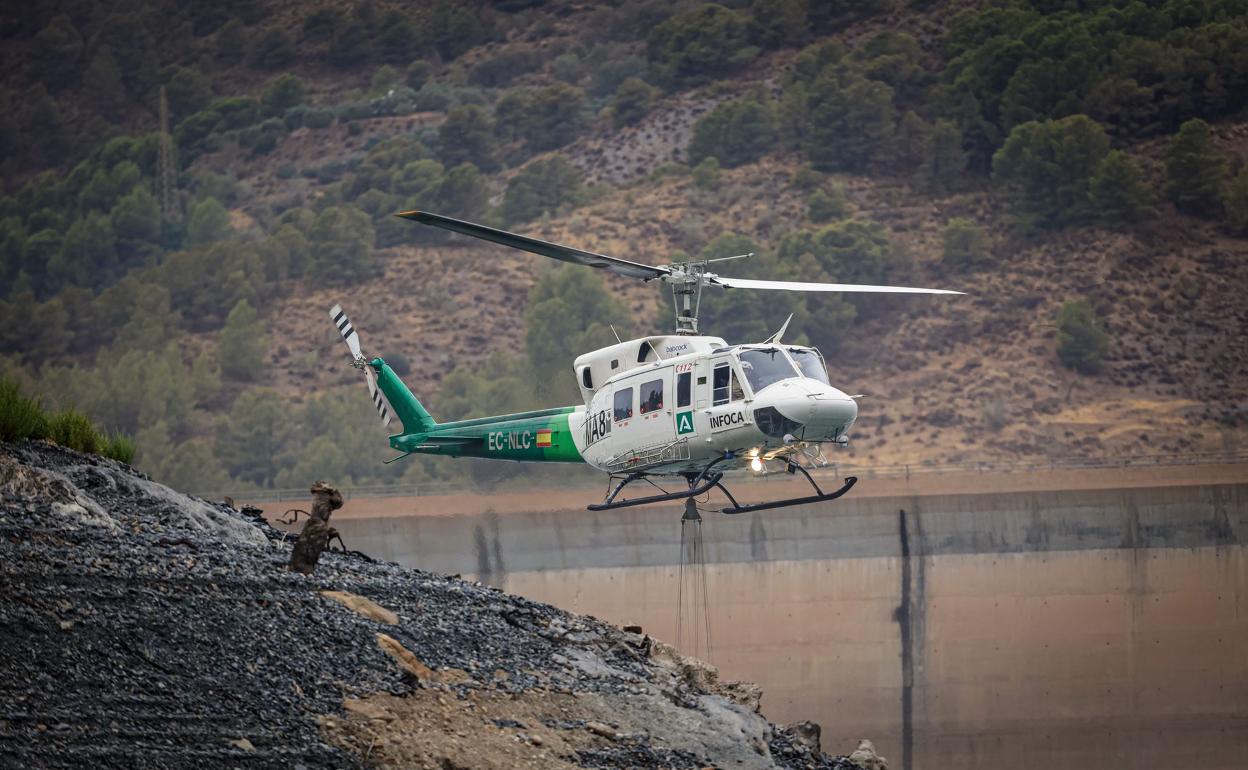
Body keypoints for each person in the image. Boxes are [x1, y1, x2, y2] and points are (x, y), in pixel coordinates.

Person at [288, 481, 344, 574]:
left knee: (305, 548)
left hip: (314, 525)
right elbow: (331, 508)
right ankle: (303, 569)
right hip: (318, 527)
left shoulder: (321, 497)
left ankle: (299, 568)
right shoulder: (325, 498)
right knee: (309, 549)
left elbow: (336, 504)